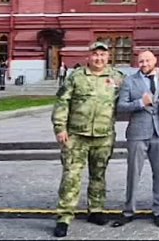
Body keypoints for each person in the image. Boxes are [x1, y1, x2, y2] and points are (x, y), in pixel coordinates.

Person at [51, 41, 125, 238]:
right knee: (71, 176)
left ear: (108, 57)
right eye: (95, 55)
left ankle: (96, 209)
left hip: (104, 134)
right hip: (76, 135)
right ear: (88, 57)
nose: (99, 59)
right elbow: (62, 102)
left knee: (98, 175)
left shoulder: (117, 77)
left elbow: (133, 91)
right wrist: (60, 128)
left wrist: (158, 76)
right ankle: (64, 216)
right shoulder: (76, 76)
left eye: (102, 55)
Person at [112, 50, 159, 228]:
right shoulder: (130, 81)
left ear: (155, 61)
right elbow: (121, 106)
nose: (144, 64)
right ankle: (129, 210)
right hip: (137, 133)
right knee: (133, 174)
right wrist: (140, 103)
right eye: (141, 61)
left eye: (147, 60)